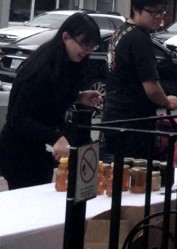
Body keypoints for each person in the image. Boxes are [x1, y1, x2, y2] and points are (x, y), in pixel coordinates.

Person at [0, 13, 103, 190]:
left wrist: (78, 96)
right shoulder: (43, 67)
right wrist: (55, 137)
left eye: (91, 47)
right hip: (20, 151)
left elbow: (50, 97)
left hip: (42, 150)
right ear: (65, 36)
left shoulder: (70, 63)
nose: (86, 51)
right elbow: (18, 118)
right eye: (83, 45)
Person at [102, 0, 177, 161]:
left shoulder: (120, 31)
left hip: (113, 117)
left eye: (162, 12)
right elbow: (151, 87)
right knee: (136, 180)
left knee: (115, 175)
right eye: (153, 12)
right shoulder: (140, 39)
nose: (159, 18)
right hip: (134, 124)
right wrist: (167, 101)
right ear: (136, 9)